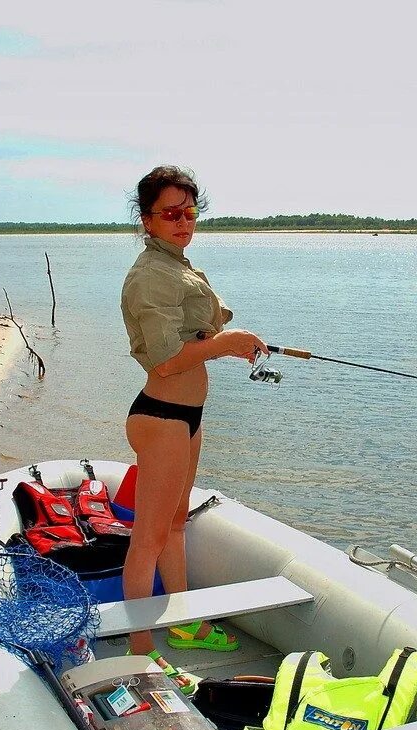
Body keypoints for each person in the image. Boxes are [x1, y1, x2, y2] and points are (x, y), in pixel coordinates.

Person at [120, 166, 266, 677]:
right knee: (149, 538)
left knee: (176, 524)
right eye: (170, 214)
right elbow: (164, 361)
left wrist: (230, 341)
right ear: (147, 220)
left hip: (188, 416)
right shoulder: (148, 276)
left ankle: (182, 622)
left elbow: (202, 329)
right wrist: (224, 345)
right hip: (160, 417)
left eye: (190, 212)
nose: (183, 222)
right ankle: (140, 651)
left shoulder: (178, 266)